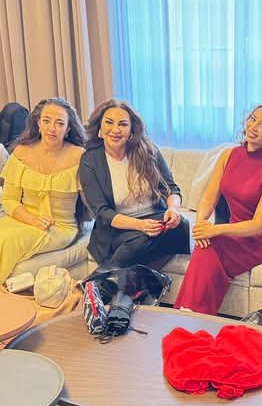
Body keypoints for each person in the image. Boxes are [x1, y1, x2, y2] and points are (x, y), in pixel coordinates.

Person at [173, 102, 262, 315]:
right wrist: (201, 225)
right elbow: (208, 198)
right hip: (236, 231)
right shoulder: (228, 155)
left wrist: (215, 230)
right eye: (253, 119)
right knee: (205, 245)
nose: (254, 127)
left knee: (209, 246)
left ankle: (189, 313)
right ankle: (192, 314)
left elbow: (258, 225)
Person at [79, 99, 190, 270]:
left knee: (180, 225)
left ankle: (97, 282)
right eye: (109, 122)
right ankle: (100, 281)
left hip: (156, 220)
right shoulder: (90, 160)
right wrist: (140, 226)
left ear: (132, 129)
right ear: (100, 125)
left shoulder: (148, 151)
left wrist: (173, 210)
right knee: (141, 241)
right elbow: (102, 213)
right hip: (119, 228)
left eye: (123, 124)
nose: (115, 130)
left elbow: (171, 188)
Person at [0, 97, 85, 283]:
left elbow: (92, 199)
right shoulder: (21, 152)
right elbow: (9, 199)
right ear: (38, 123)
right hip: (23, 219)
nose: (52, 128)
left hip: (59, 226)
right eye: (46, 120)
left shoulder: (80, 156)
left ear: (68, 129)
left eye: (59, 123)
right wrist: (32, 219)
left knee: (7, 241)